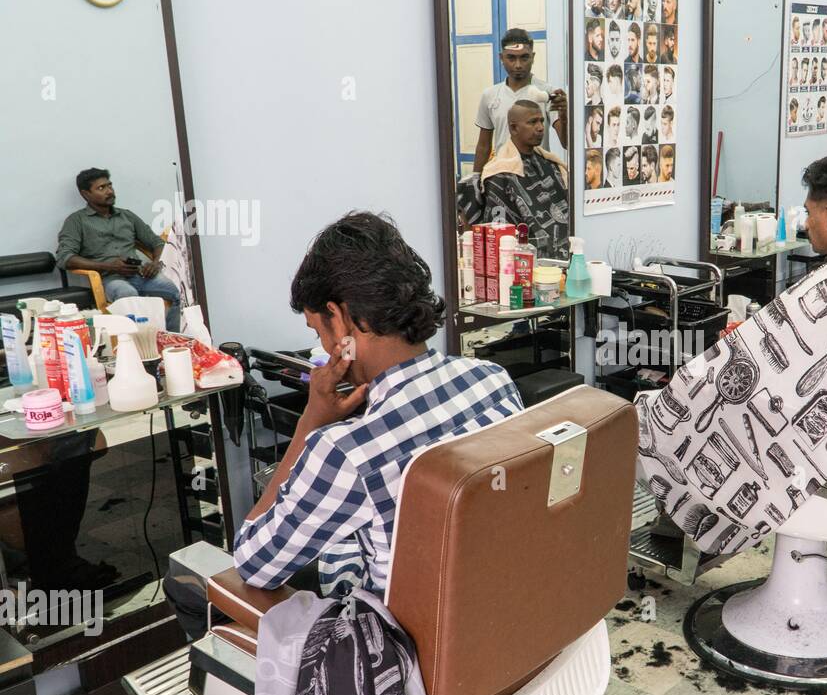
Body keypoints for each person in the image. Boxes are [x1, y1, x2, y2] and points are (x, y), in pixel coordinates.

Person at [233, 211, 523, 597]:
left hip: (405, 645)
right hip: (500, 612)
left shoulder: (345, 453)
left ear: (340, 318)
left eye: (319, 331)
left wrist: (310, 425)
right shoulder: (493, 381)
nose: (324, 347)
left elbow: (254, 563)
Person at [57, 168, 182, 331]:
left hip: (140, 274)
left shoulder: (127, 216)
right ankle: (140, 349)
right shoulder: (77, 221)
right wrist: (109, 266)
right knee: (127, 294)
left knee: (173, 291)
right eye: (101, 188)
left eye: (110, 186)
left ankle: (173, 341)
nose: (109, 191)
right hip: (110, 278)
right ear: (85, 194)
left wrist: (156, 263)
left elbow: (157, 243)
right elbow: (64, 258)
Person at [480, 100, 571, 258]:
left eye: (542, 121)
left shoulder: (550, 164)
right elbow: (500, 237)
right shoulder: (500, 175)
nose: (540, 127)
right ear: (514, 128)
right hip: (526, 262)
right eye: (532, 122)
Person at [472, 29, 567, 172]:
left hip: (538, 178)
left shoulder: (547, 93)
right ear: (501, 58)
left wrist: (564, 117)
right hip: (503, 176)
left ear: (533, 57)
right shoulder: (490, 95)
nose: (518, 65)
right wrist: (475, 181)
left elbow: (566, 143)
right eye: (511, 58)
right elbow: (484, 146)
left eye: (524, 57)